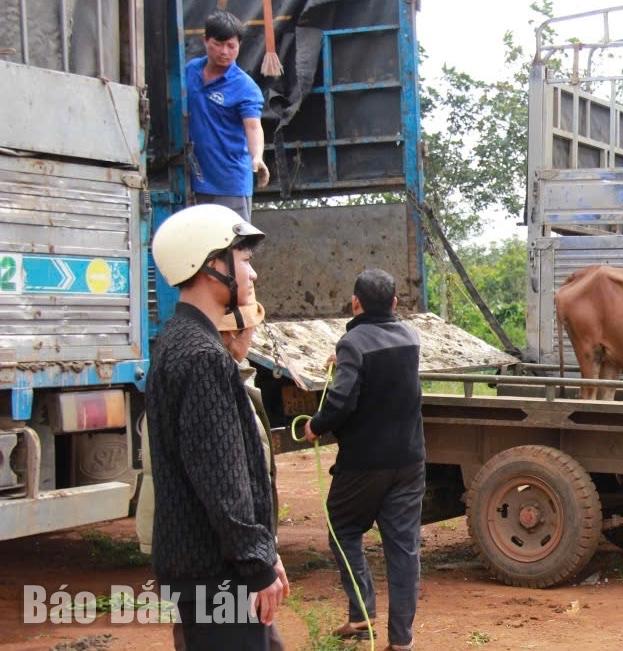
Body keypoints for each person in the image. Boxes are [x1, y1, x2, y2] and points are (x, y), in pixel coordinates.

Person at [147, 204, 286, 649]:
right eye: (244, 260)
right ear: (212, 266)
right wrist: (255, 564)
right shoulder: (204, 357)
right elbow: (223, 482)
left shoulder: (176, 341)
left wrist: (266, 551)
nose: (253, 274)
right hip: (218, 575)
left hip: (204, 570)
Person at [303, 269, 425, 651]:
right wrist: (343, 360)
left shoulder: (352, 342)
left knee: (342, 527)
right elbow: (382, 371)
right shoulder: (410, 337)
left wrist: (316, 426)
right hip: (409, 460)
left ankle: (361, 612)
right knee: (404, 549)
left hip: (365, 464)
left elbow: (341, 402)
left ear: (356, 302)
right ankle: (401, 641)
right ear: (394, 303)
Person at [187, 10, 270, 222]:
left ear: (239, 46)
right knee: (200, 250)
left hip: (230, 182)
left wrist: (257, 157)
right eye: (218, 43)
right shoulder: (189, 71)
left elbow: (253, 127)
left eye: (231, 46)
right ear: (205, 40)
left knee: (234, 248)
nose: (225, 51)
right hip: (193, 179)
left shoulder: (245, 87)